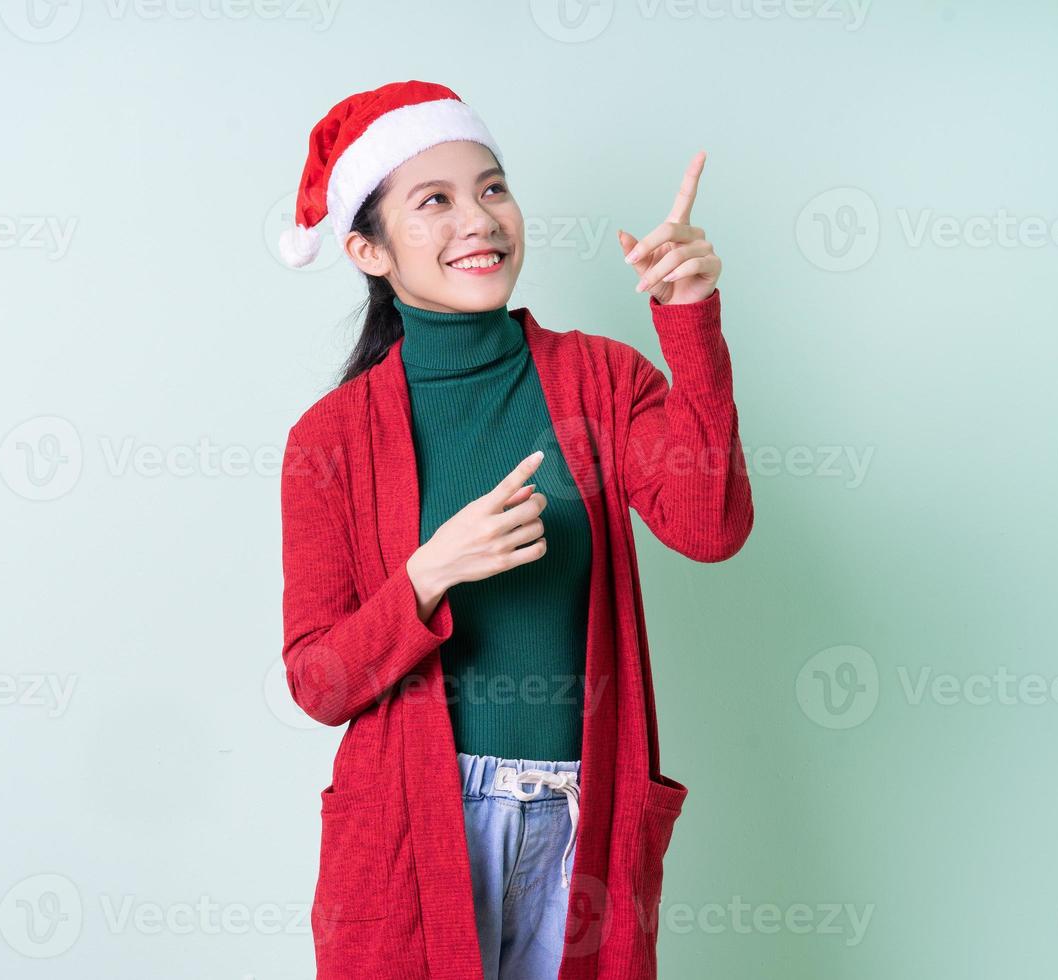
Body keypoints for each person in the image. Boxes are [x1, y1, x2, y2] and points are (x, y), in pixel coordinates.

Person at [278, 79, 751, 980]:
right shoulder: (330, 439)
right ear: (367, 251)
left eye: (492, 188)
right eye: (436, 201)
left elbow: (711, 525)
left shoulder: (598, 381)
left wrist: (688, 317)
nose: (480, 220)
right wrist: (427, 576)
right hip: (419, 825)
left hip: (583, 810)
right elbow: (317, 680)